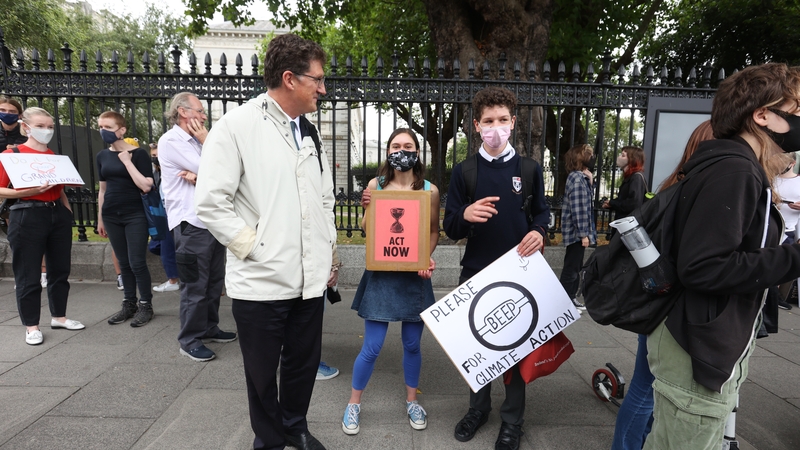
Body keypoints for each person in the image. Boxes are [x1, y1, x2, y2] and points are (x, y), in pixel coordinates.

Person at [642, 63, 800, 450]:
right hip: (698, 346)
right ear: (762, 114)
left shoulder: (734, 165)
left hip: (704, 341)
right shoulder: (735, 169)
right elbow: (703, 267)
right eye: (796, 112)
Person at [195, 33, 337, 450]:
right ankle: (270, 440)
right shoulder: (236, 127)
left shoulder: (309, 131)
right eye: (318, 80)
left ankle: (296, 426)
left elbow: (324, 197)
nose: (323, 89)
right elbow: (210, 202)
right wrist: (254, 248)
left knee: (302, 364)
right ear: (290, 78)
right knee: (260, 372)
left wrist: (328, 251)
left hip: (310, 280)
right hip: (261, 282)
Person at [443, 86, 550, 450]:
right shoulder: (465, 171)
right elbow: (450, 225)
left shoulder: (529, 168)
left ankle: (512, 420)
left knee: (514, 352)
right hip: (475, 273)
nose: (496, 127)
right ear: (476, 126)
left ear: (513, 122)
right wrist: (465, 215)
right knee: (477, 350)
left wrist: (538, 231)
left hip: (519, 275)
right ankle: (478, 409)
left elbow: (542, 213)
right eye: (488, 121)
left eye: (502, 120)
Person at [610, 121, 713, 450]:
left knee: (647, 385)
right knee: (646, 388)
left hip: (660, 302)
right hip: (672, 305)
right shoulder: (693, 191)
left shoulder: (674, 186)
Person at [341, 128, 439, 436]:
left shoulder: (429, 190)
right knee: (371, 347)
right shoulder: (375, 185)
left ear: (417, 152)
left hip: (414, 278)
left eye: (408, 146)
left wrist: (426, 257)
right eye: (396, 146)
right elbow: (370, 232)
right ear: (388, 152)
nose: (402, 150)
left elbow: (433, 230)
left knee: (412, 344)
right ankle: (353, 403)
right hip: (382, 275)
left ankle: (412, 401)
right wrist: (367, 207)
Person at [158, 92, 236, 362]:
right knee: (195, 285)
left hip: (212, 222)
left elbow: (227, 170)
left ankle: (209, 327)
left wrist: (203, 173)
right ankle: (189, 339)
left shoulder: (199, 142)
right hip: (191, 223)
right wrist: (205, 165)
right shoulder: (171, 141)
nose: (204, 116)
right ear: (182, 111)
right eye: (200, 111)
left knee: (214, 282)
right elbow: (217, 168)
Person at [0, 107, 83, 345]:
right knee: (28, 273)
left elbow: (59, 187)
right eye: (40, 126)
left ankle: (59, 316)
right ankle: (31, 325)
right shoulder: (12, 154)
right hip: (27, 214)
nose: (46, 131)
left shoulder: (54, 156)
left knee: (60, 270)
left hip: (57, 214)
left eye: (49, 127)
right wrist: (28, 191)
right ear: (25, 127)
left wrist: (66, 210)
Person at [96, 111, 155, 327]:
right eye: (101, 126)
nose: (104, 131)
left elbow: (146, 185)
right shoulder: (102, 156)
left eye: (109, 127)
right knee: (123, 262)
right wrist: (100, 218)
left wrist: (127, 162)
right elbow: (102, 190)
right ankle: (129, 303)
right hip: (112, 214)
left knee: (137, 262)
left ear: (122, 130)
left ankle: (146, 304)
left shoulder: (138, 155)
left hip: (135, 214)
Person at [559, 144, 597, 312]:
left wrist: (590, 181)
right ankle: (565, 300)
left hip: (578, 232)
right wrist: (584, 235)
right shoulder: (576, 178)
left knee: (575, 266)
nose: (593, 158)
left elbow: (587, 201)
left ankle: (570, 297)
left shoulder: (580, 177)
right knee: (572, 267)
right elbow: (579, 208)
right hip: (576, 233)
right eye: (590, 155)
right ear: (581, 158)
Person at [148, 142, 180, 293]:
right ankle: (176, 274)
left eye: (158, 156)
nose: (156, 159)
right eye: (153, 156)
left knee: (166, 246)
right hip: (160, 211)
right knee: (156, 246)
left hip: (172, 210)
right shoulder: (155, 173)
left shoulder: (173, 170)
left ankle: (173, 279)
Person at [602, 146, 647, 224]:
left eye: (623, 155)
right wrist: (611, 204)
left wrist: (612, 203)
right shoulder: (630, 177)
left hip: (629, 225)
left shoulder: (636, 177)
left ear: (632, 159)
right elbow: (625, 201)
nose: (618, 157)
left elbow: (633, 204)